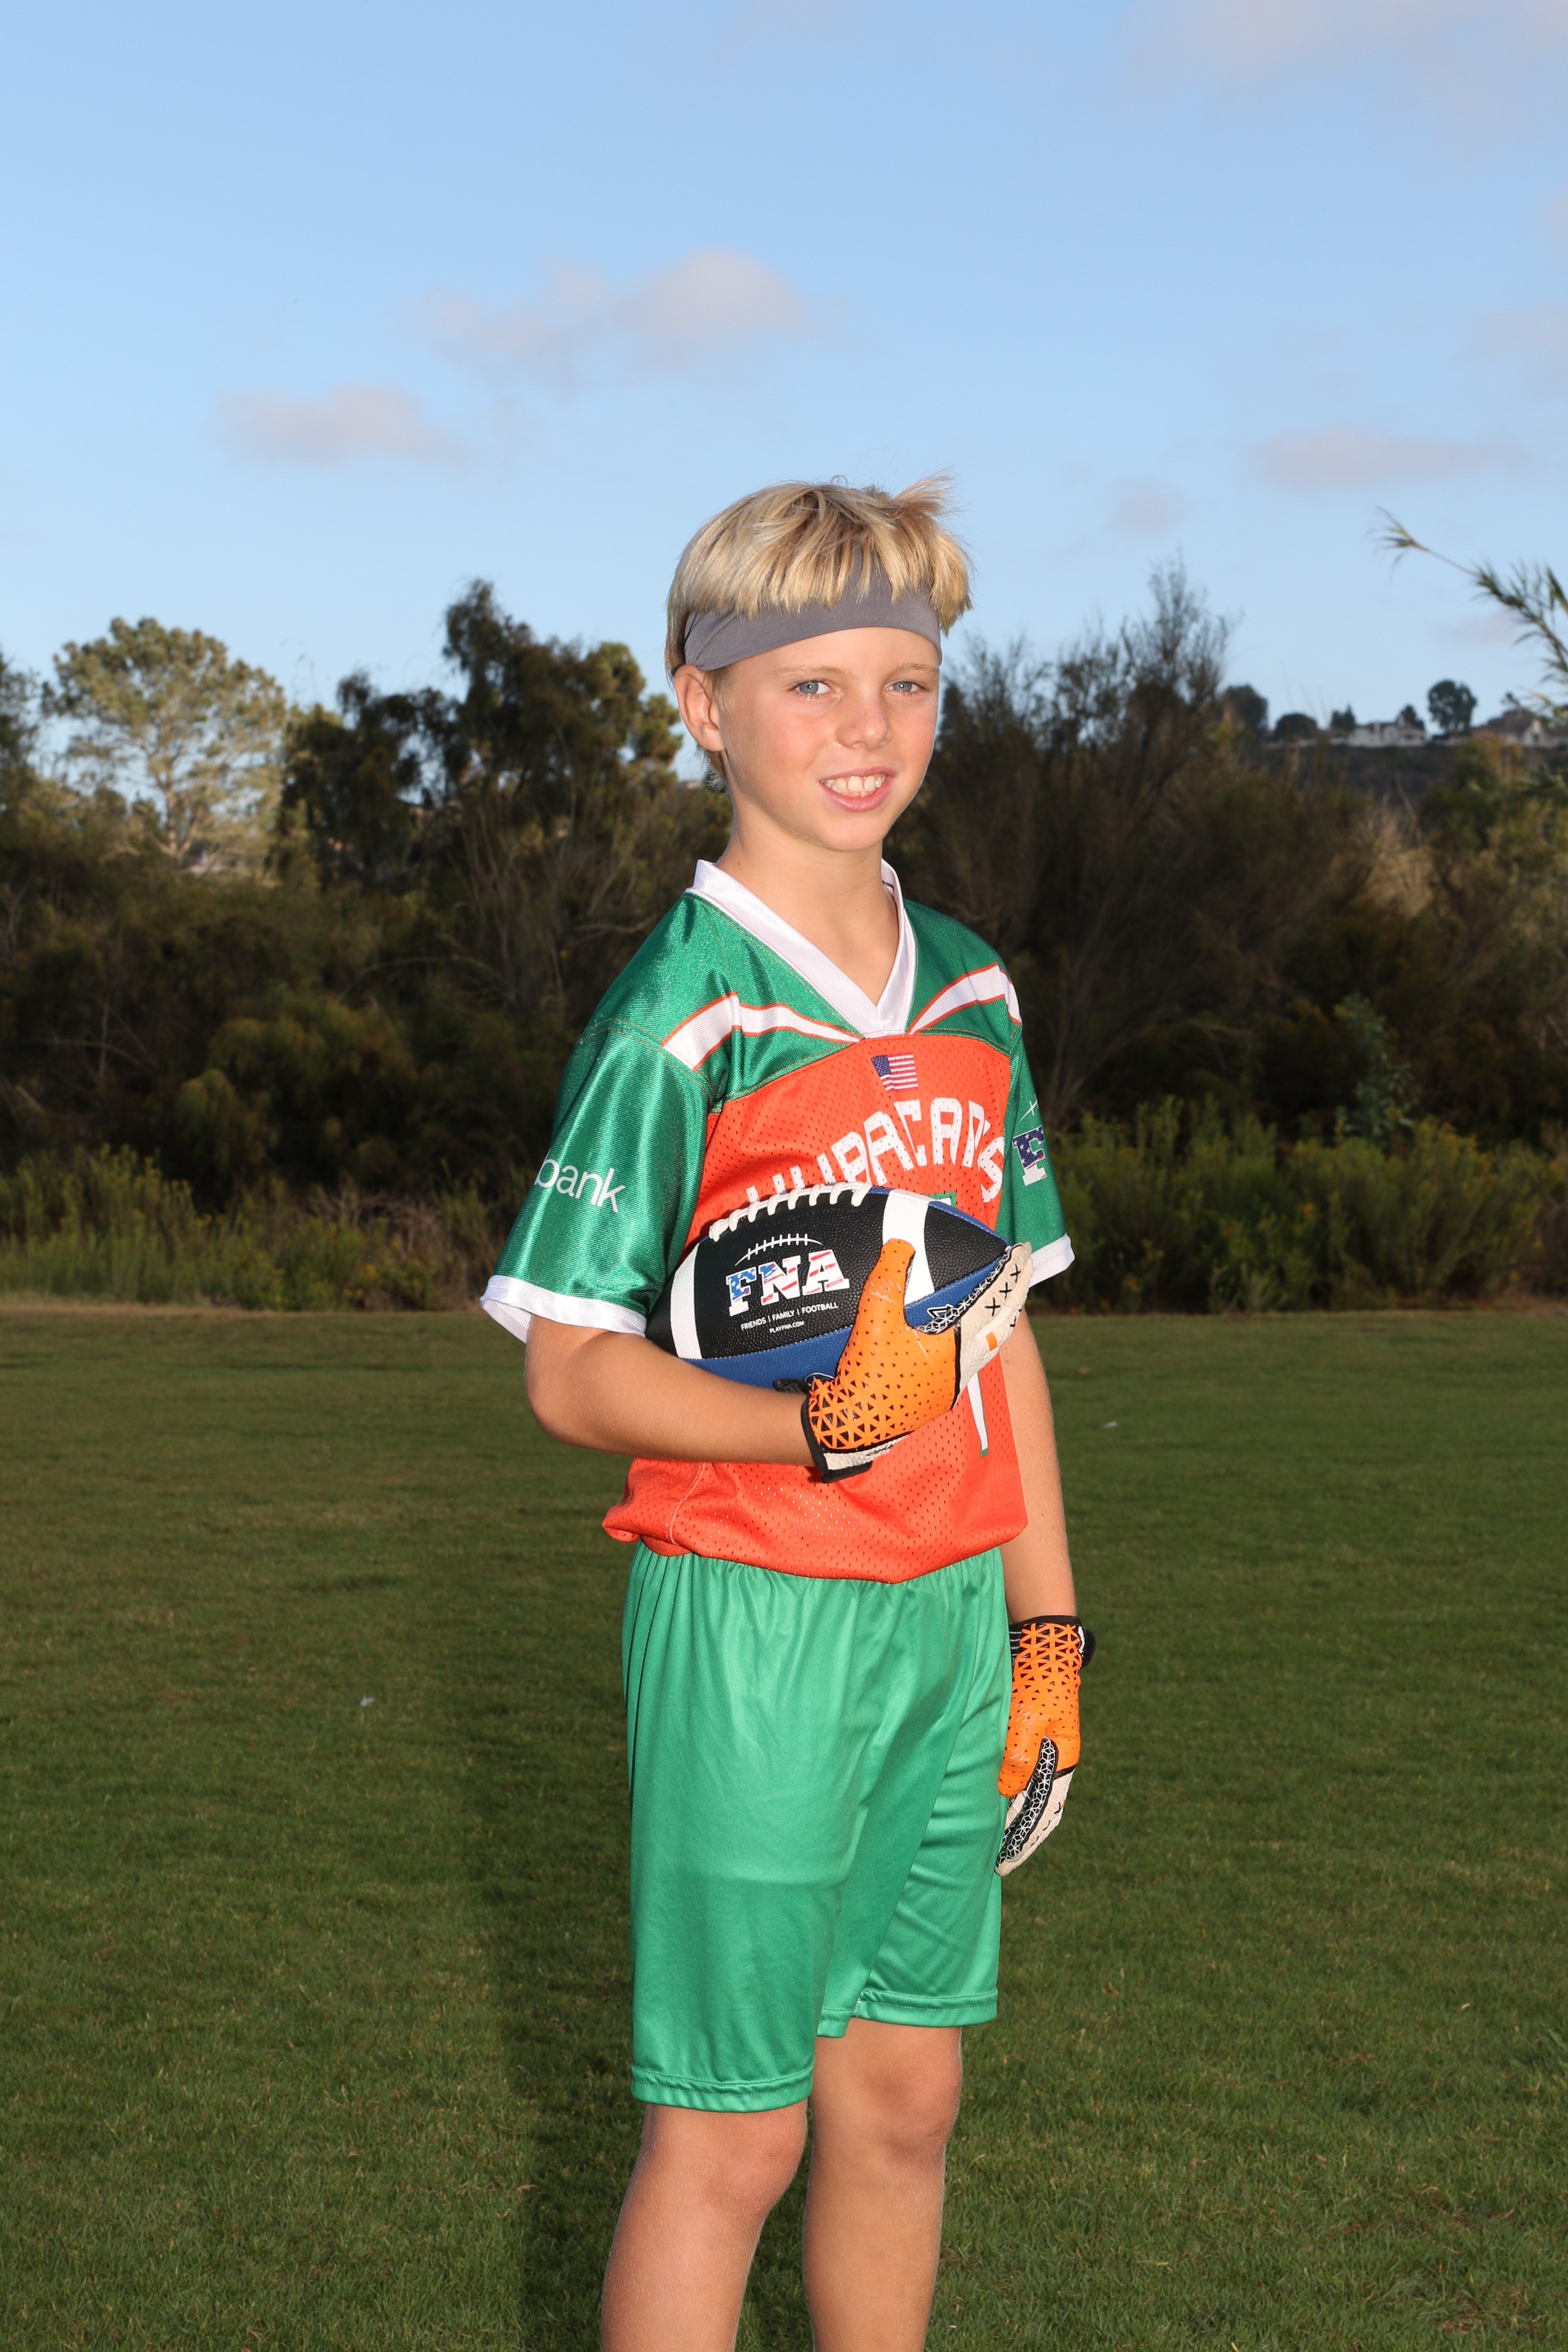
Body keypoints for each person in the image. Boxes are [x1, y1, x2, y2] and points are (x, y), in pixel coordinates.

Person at [482, 478, 1090, 2352]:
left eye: (906, 683)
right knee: (730, 2138)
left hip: (948, 1615)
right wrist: (821, 1425)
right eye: (811, 685)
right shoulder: (684, 1010)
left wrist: (1047, 1628)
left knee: (904, 2104)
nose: (866, 729)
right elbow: (570, 1372)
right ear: (704, 704)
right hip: (756, 1617)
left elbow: (1003, 1330)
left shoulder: (973, 985)